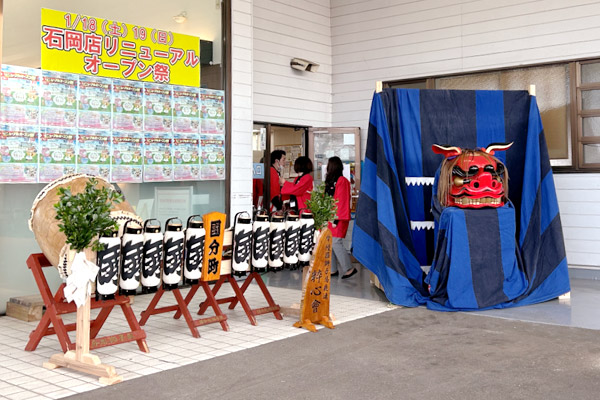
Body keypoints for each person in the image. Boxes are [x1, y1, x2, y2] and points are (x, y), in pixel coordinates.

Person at [324, 156, 356, 279]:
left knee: (336, 242)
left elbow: (341, 201)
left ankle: (349, 268)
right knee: (330, 242)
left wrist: (335, 218)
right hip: (331, 216)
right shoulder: (331, 181)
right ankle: (332, 269)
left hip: (338, 217)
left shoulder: (342, 181)